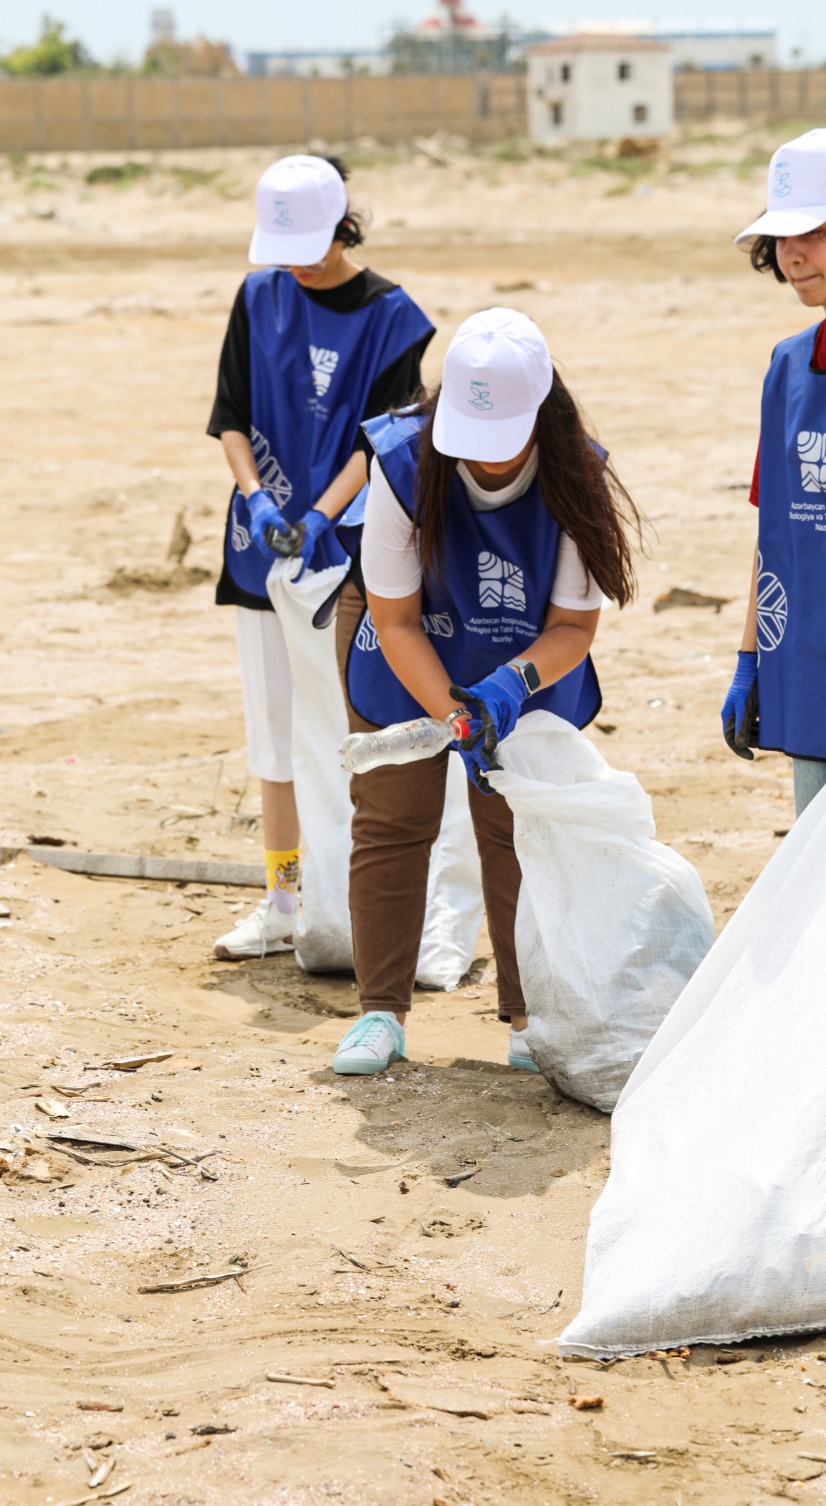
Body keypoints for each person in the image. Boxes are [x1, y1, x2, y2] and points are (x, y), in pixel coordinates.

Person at [331, 307, 642, 1074]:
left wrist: (508, 687)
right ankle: (381, 1012)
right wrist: (451, 714)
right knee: (394, 815)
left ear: (539, 411)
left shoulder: (578, 473)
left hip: (525, 654)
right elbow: (395, 617)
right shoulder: (404, 463)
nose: (489, 465)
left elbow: (573, 624)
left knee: (516, 827)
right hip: (405, 641)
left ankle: (526, 1013)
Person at [207, 153, 435, 959]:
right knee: (273, 732)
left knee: (342, 729)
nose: (296, 263)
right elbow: (231, 414)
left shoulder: (391, 316)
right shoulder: (259, 296)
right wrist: (257, 498)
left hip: (341, 558)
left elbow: (386, 439)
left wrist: (317, 516)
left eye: (308, 243)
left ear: (343, 223)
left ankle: (353, 902)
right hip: (257, 553)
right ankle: (282, 897)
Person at [722, 129, 826, 816]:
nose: (792, 253)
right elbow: (774, 530)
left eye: (814, 232)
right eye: (783, 238)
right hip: (810, 676)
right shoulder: (788, 368)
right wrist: (750, 656)